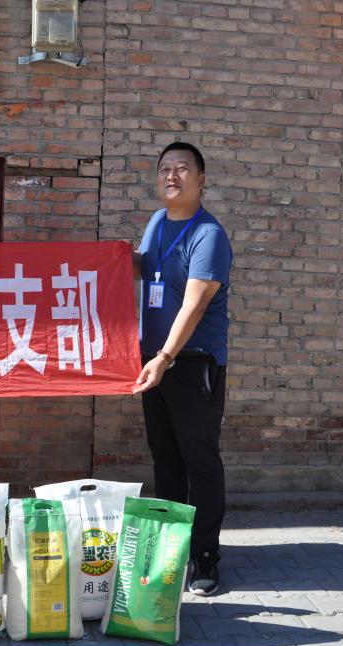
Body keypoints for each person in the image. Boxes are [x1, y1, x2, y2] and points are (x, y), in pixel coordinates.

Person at [133, 142, 233, 596]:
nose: (171, 176)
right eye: (164, 169)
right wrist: (110, 258)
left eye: (182, 169)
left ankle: (206, 555)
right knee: (165, 457)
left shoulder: (209, 235)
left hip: (191, 364)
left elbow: (194, 305)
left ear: (201, 179)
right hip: (155, 361)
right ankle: (172, 549)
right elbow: (146, 269)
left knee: (199, 460)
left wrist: (164, 358)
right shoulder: (157, 222)